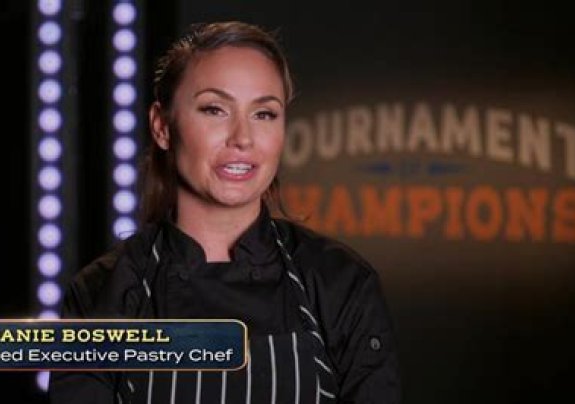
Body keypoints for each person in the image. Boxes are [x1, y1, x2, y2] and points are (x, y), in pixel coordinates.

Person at [50, 21, 401, 403]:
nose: (243, 138)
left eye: (264, 114)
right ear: (162, 127)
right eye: (214, 109)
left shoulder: (340, 284)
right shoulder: (103, 294)